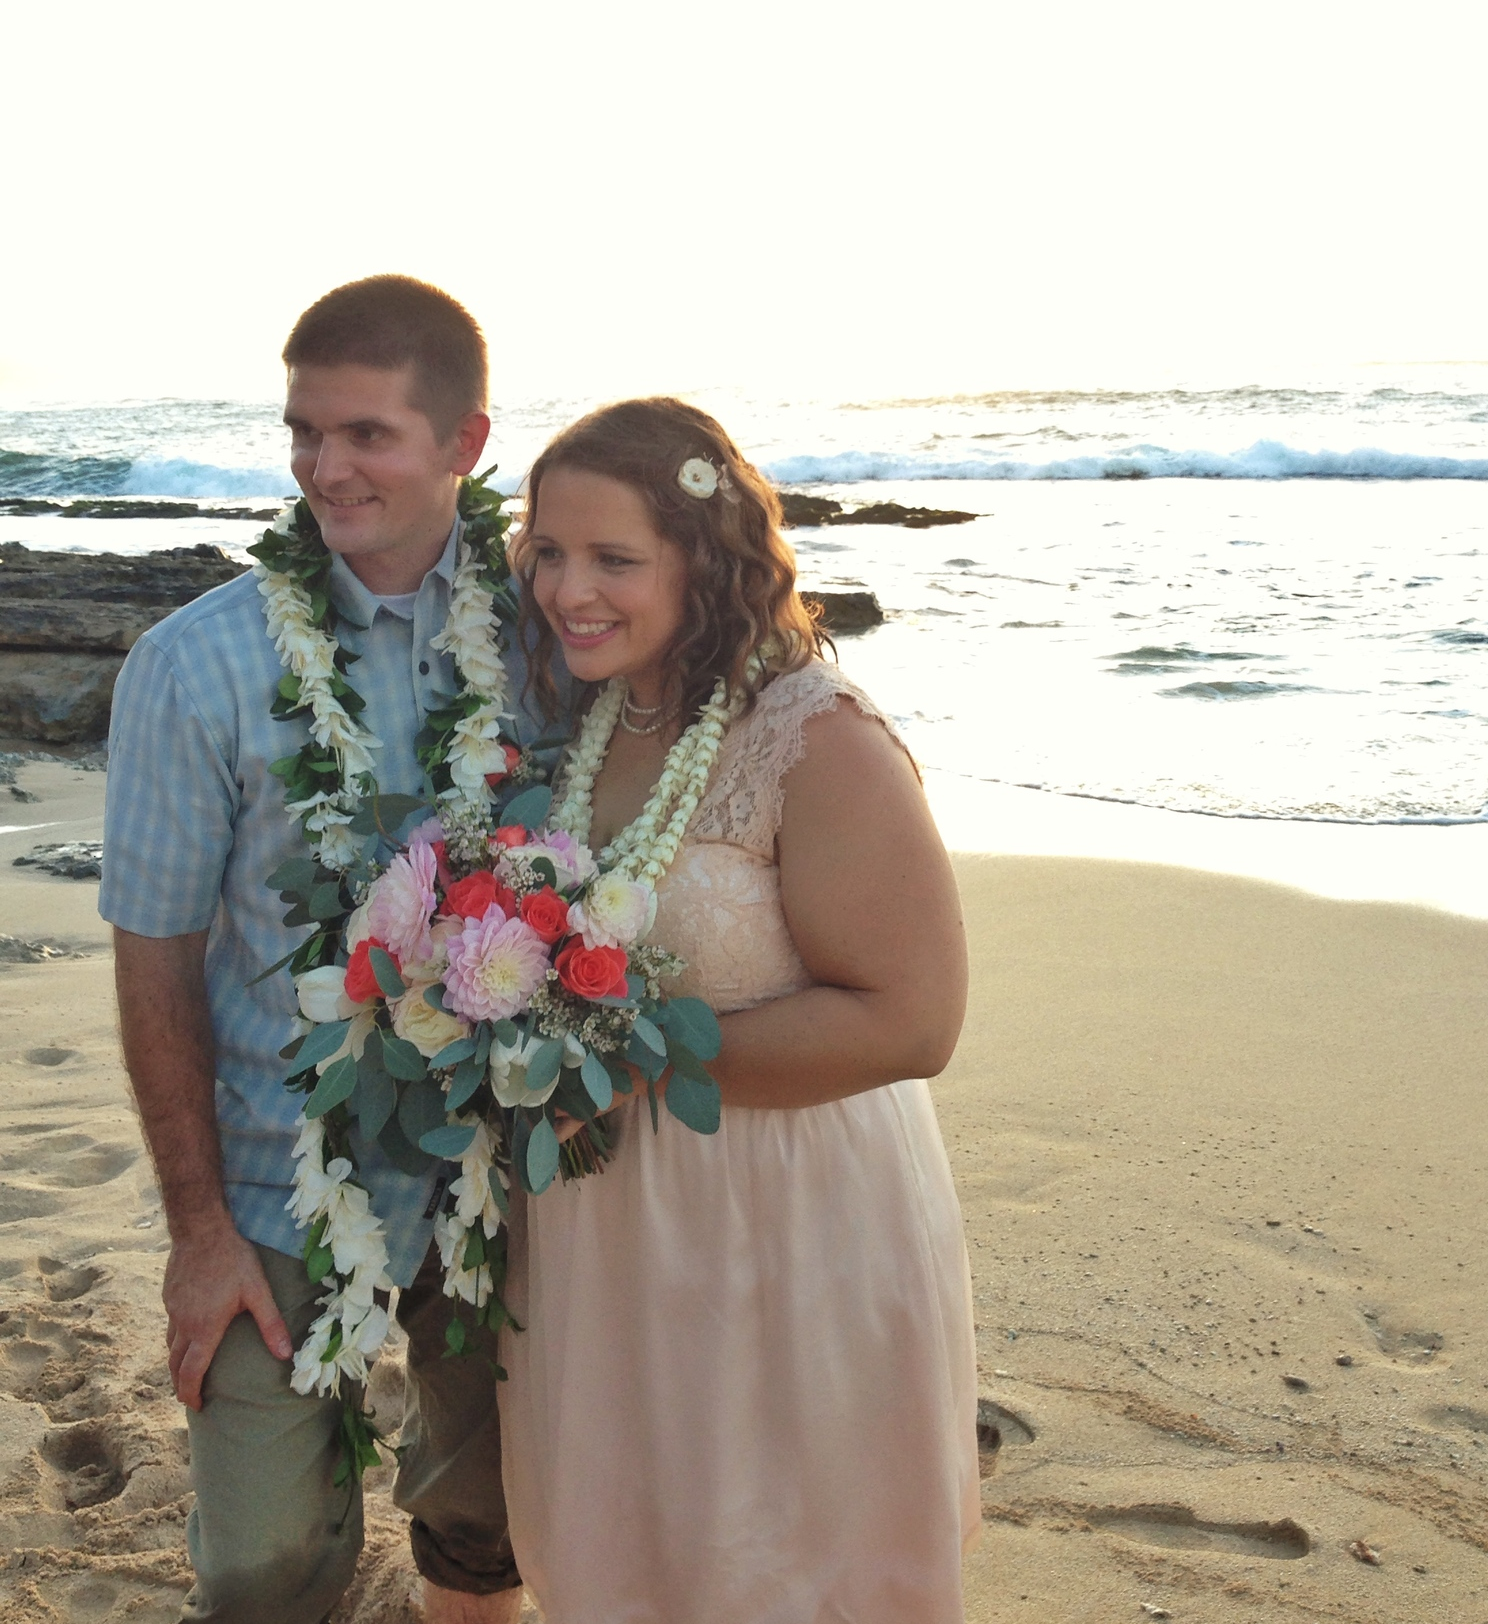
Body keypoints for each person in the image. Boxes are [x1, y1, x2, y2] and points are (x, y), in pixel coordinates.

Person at [101, 275, 555, 1624]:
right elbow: (154, 958)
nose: (323, 467)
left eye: (366, 434)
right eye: (305, 431)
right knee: (255, 1565)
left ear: (466, 443)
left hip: (499, 1173)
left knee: (488, 1520)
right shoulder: (197, 667)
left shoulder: (558, 641)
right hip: (265, 1175)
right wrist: (196, 1234)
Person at [499, 397, 980, 1623]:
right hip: (608, 1232)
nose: (568, 589)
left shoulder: (812, 737)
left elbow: (915, 1020)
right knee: (637, 1555)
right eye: (549, 551)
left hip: (784, 1220)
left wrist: (638, 1060)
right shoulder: (582, 717)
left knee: (783, 1561)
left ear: (701, 558)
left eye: (615, 558)